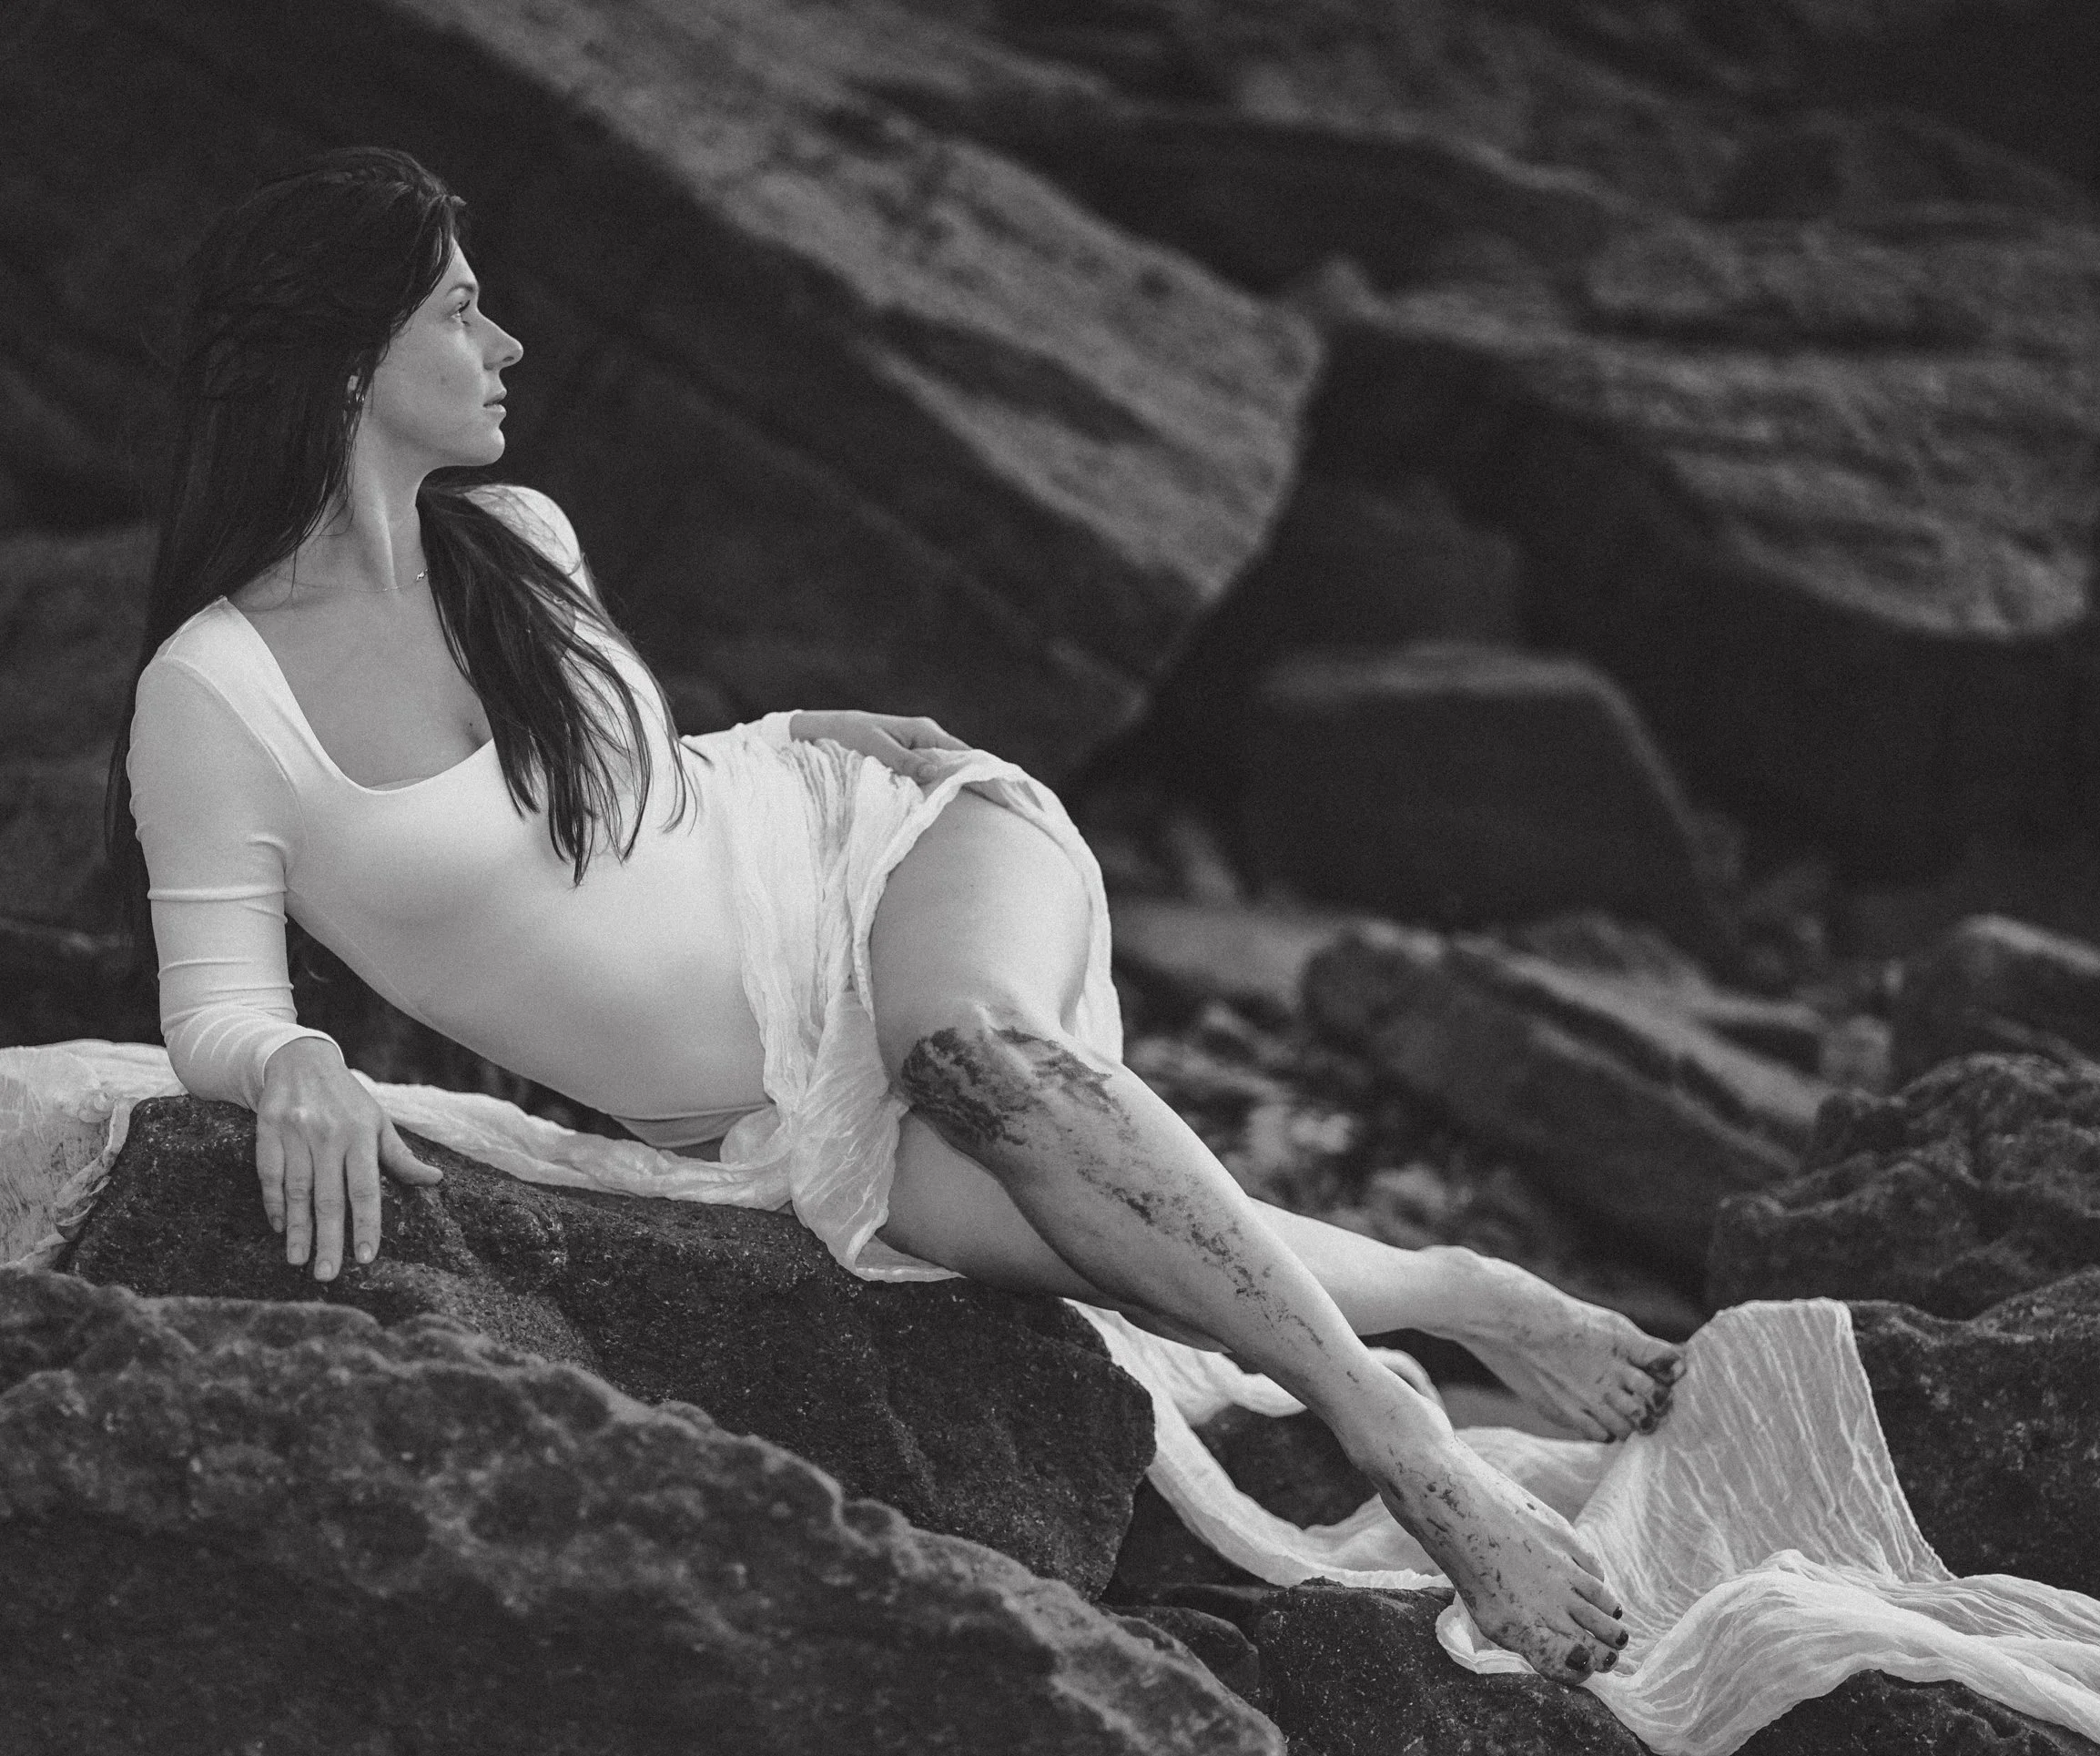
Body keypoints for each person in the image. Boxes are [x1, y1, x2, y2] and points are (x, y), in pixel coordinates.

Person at [105, 147, 1683, 1683]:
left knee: (970, 1054)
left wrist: (809, 734)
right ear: (341, 352)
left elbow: (663, 792)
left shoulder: (518, 542)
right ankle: (1466, 1293)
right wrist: (287, 1062)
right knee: (1117, 1243)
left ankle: (1415, 1456)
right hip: (781, 1104)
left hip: (891, 859)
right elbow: (214, 1003)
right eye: (458, 308)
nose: (505, 341)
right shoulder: (214, 692)